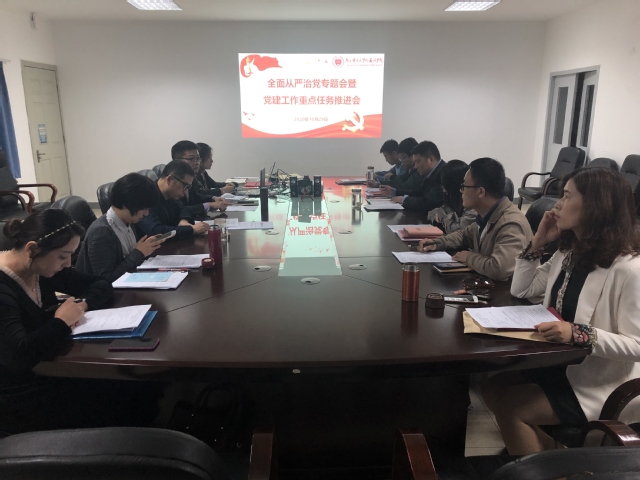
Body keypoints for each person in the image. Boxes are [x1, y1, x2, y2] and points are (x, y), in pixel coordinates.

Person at [482, 168, 640, 456]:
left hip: (599, 381)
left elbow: (637, 345)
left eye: (567, 196)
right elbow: (522, 289)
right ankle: (555, 460)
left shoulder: (629, 269)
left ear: (595, 206)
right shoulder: (569, 253)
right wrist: (538, 242)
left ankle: (545, 467)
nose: (557, 204)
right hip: (560, 364)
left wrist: (578, 333)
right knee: (491, 388)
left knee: (513, 407)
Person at [0, 209, 159, 432]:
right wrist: (61, 322)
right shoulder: (5, 285)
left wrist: (81, 306)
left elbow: (101, 285)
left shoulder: (39, 268)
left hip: (50, 365)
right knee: (130, 398)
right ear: (32, 249)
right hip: (18, 392)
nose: (67, 264)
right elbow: (18, 356)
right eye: (62, 256)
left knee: (142, 389)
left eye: (71, 256)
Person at [418, 158, 531, 281]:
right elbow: (464, 235)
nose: (461, 191)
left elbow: (499, 268)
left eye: (464, 186)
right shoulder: (488, 214)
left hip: (506, 291)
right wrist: (437, 243)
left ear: (481, 192)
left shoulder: (510, 224)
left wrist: (469, 257)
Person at [76, 173, 166, 282]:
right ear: (126, 203)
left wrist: (145, 247)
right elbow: (106, 280)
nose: (146, 213)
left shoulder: (128, 221)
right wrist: (138, 253)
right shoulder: (102, 233)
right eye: (143, 208)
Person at [136, 160, 211, 239]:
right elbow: (155, 231)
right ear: (169, 180)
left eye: (188, 188)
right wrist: (191, 229)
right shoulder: (147, 197)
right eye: (185, 186)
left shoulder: (171, 194)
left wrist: (183, 221)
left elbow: (182, 209)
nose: (185, 192)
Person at [170, 140, 229, 217]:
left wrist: (213, 198)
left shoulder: (190, 177)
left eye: (198, 158)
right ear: (177, 160)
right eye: (191, 159)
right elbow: (179, 210)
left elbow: (196, 196)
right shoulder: (173, 181)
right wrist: (208, 205)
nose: (196, 162)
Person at [386, 141, 446, 212]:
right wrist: (395, 192)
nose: (415, 166)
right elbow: (417, 192)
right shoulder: (431, 173)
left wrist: (404, 199)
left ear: (430, 159)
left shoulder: (444, 174)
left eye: (418, 162)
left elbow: (429, 203)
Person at [427, 160, 477, 234]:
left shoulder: (474, 206)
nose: (444, 191)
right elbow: (432, 213)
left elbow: (455, 229)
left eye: (444, 186)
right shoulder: (453, 201)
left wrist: (442, 218)